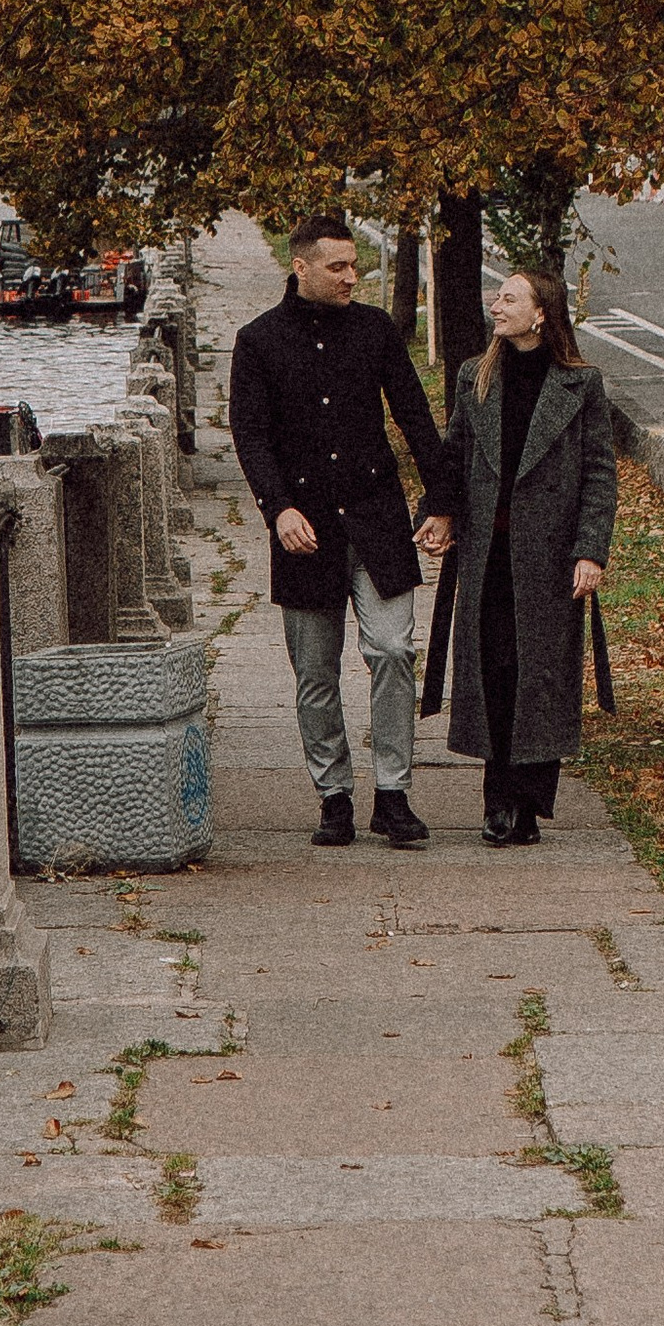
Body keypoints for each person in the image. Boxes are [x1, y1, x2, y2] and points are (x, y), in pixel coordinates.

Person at [228, 213, 446, 849]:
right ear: (302, 268)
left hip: (378, 521)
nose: (353, 276)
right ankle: (334, 795)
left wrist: (441, 501)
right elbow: (250, 434)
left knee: (393, 651)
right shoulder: (258, 341)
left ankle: (393, 794)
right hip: (305, 531)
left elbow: (413, 414)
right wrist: (278, 509)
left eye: (355, 265)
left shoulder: (376, 330)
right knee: (316, 674)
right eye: (339, 267)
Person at [416, 269, 616, 845]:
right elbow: (454, 454)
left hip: (550, 558)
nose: (495, 306)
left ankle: (529, 804)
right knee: (495, 670)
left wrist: (590, 551)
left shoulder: (582, 385)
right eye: (496, 296)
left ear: (541, 314)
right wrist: (438, 512)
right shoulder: (475, 377)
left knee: (541, 676)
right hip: (487, 554)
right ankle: (498, 799)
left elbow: (599, 475)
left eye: (509, 298)